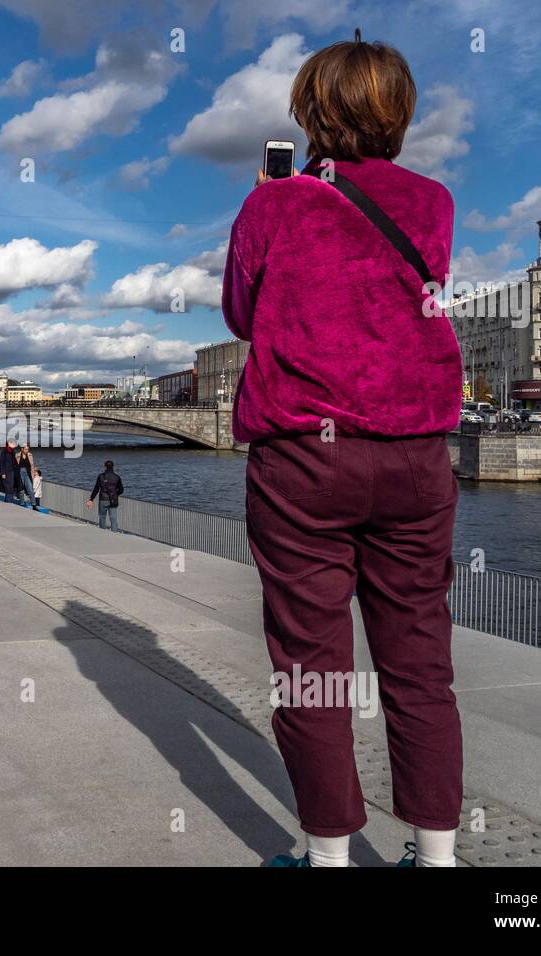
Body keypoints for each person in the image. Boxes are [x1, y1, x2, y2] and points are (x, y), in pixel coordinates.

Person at [224, 36, 462, 868]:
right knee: (421, 662)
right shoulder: (432, 202)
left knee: (313, 671)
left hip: (304, 462)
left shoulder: (275, 204)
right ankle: (435, 859)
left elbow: (240, 314)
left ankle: (328, 860)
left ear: (312, 114)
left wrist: (268, 204)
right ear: (397, 113)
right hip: (415, 455)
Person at [86, 460, 123, 530]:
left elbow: (96, 489)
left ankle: (103, 533)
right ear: (113, 467)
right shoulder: (117, 477)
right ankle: (115, 534)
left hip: (102, 500)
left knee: (102, 517)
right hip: (113, 500)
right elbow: (121, 490)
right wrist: (115, 494)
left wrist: (91, 499)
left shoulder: (101, 476)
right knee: (113, 518)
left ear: (105, 467)